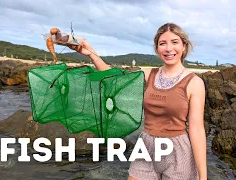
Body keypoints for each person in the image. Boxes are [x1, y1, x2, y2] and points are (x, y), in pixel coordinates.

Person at [68, 23, 207, 180]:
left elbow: (197, 130)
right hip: (147, 145)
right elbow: (113, 78)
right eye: (163, 43)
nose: (168, 48)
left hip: (178, 151)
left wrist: (203, 176)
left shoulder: (194, 83)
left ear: (184, 46)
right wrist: (90, 53)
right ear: (157, 48)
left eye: (174, 42)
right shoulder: (147, 74)